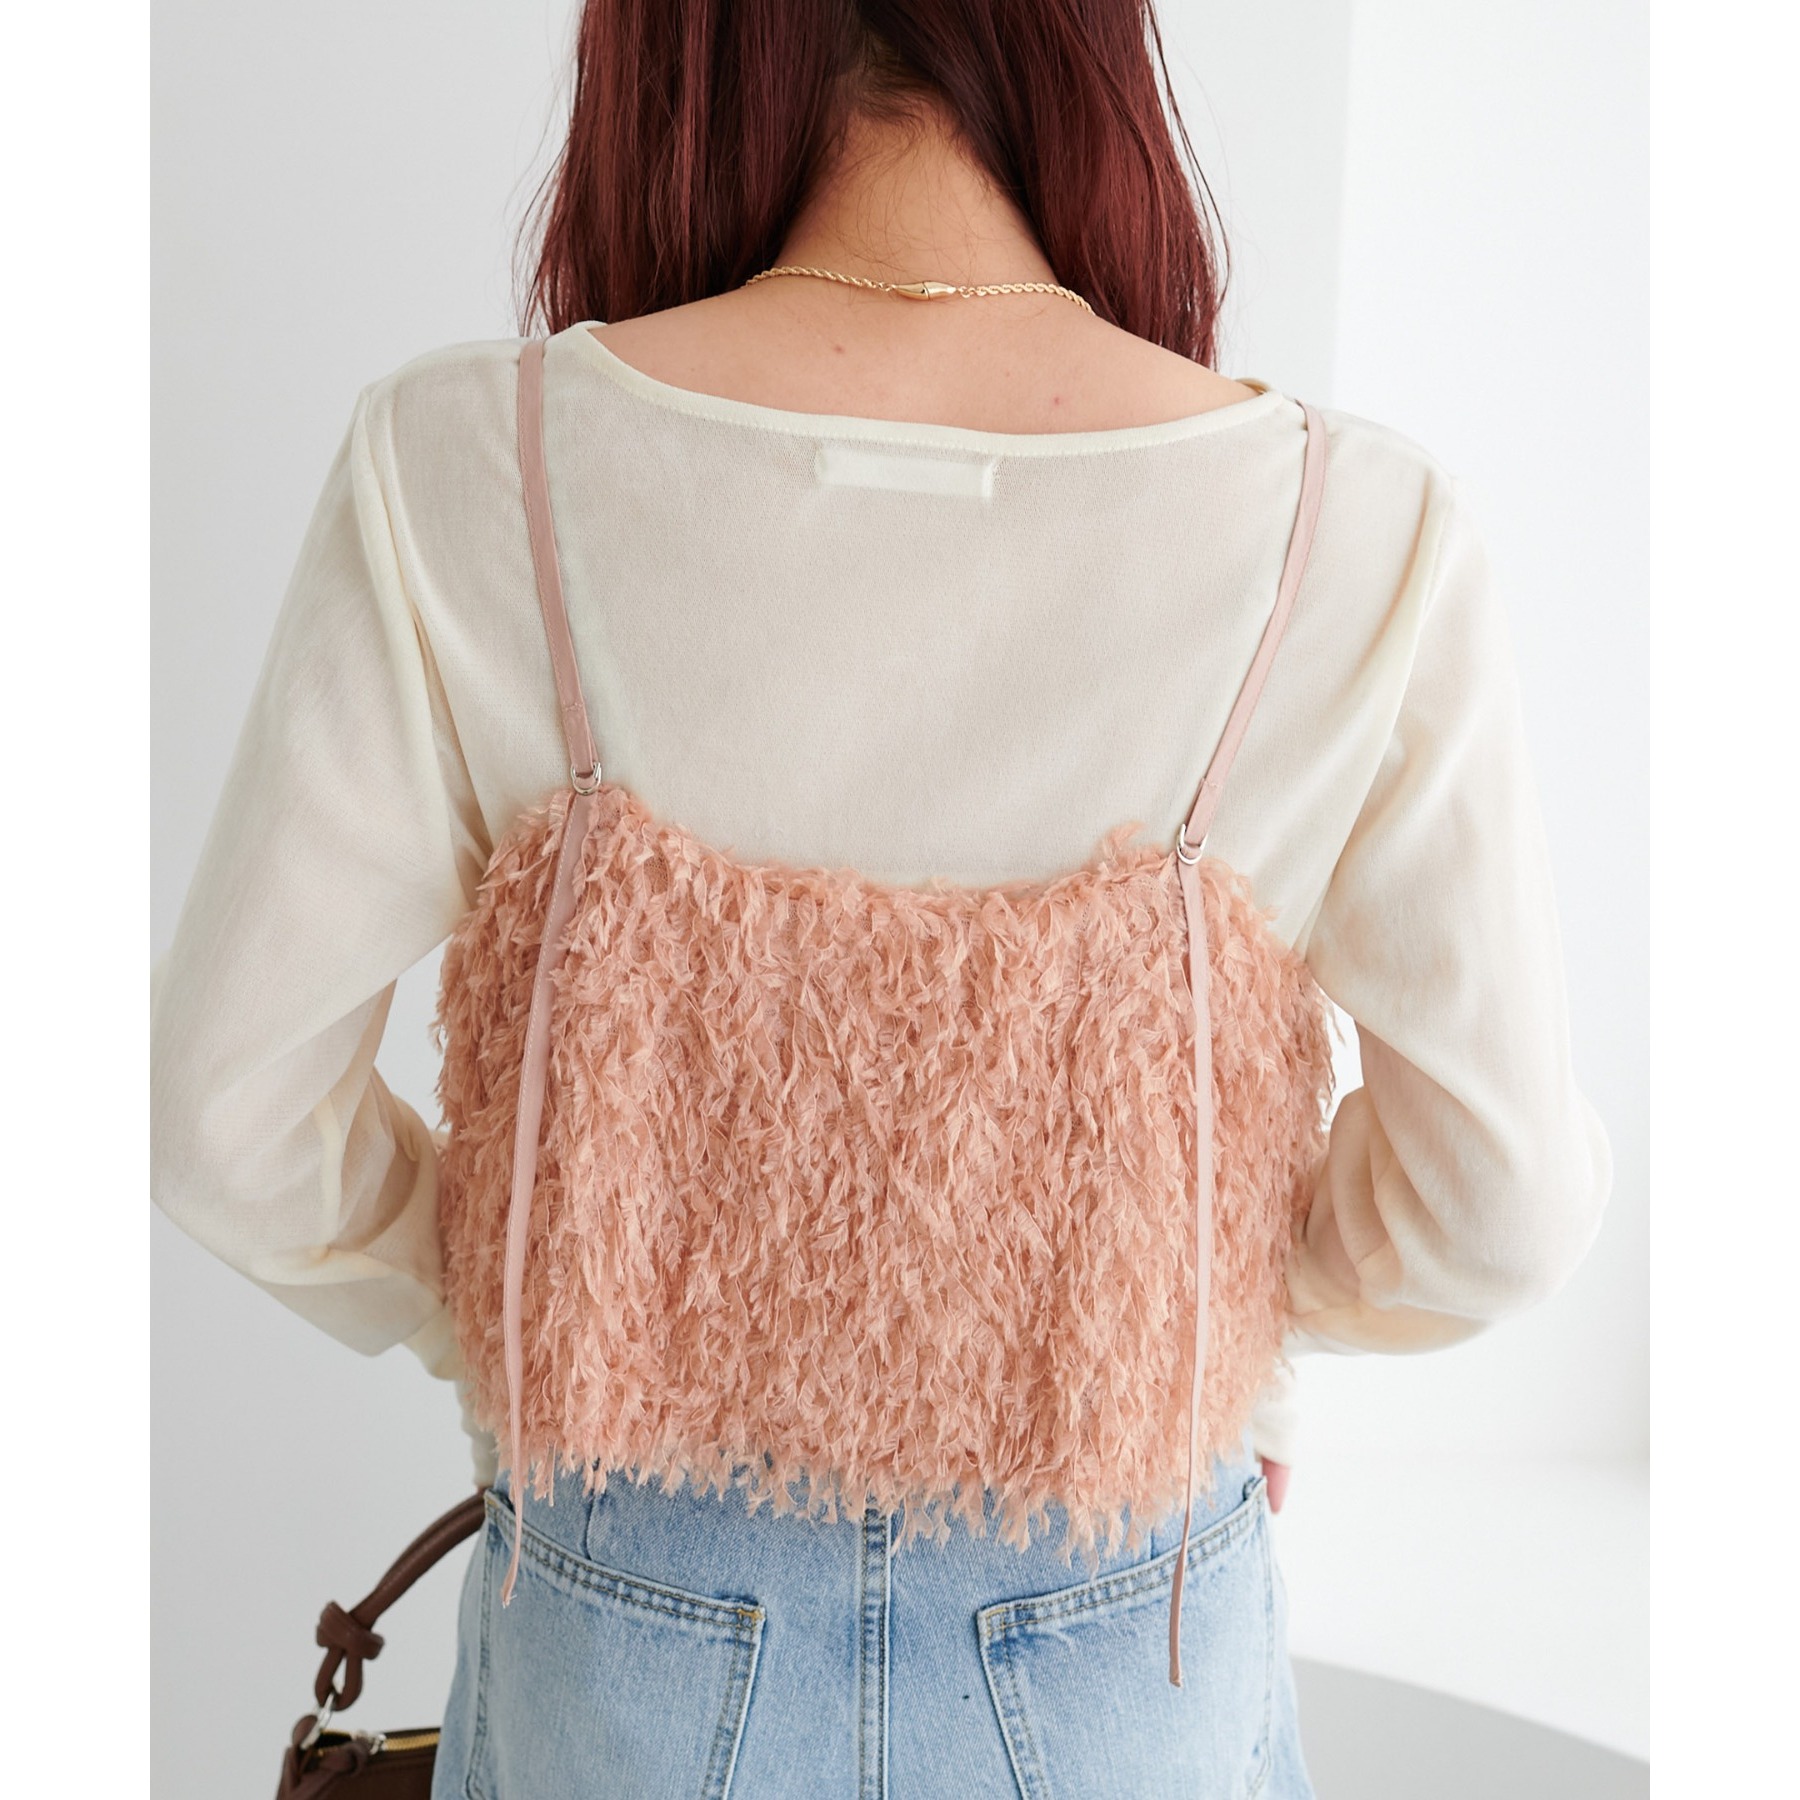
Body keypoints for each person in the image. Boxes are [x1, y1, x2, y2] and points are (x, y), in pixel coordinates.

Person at [150, 3, 1612, 1794]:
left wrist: (535, 1312)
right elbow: (1499, 1206)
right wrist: (1195, 1327)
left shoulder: (466, 461)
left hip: (625, 1618)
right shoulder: (1354, 522)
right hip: (1120, 1630)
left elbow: (226, 1115)